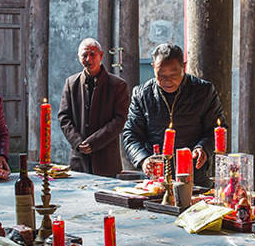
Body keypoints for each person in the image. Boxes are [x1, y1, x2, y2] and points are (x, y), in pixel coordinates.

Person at [122, 43, 225, 187]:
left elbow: (217, 129)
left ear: (183, 66)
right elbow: (130, 135)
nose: (167, 81)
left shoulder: (203, 91)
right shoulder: (142, 94)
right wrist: (143, 159)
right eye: (161, 76)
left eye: (173, 75)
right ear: (153, 68)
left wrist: (204, 148)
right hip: (157, 177)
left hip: (194, 175)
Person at [57, 38, 129, 177]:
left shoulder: (117, 85)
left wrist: (94, 142)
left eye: (93, 54)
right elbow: (64, 117)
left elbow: (119, 120)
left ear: (101, 55)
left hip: (106, 159)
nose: (88, 59)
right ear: (79, 57)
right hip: (79, 158)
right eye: (84, 55)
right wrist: (78, 143)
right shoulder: (72, 84)